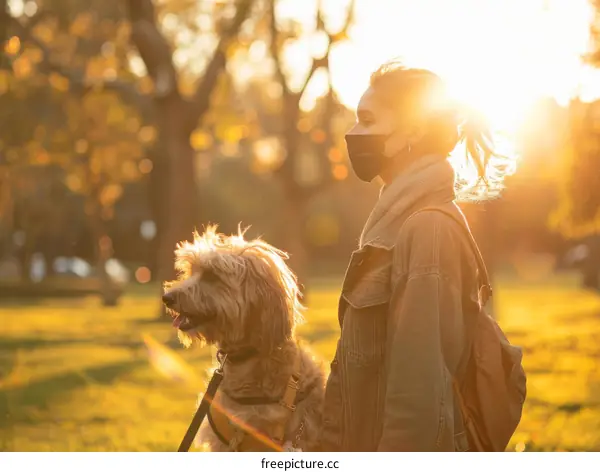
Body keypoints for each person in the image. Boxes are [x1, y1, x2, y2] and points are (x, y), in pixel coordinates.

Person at [318, 60, 511, 452]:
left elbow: (419, 395)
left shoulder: (427, 230)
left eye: (368, 120)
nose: (354, 133)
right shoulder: (395, 220)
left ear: (414, 130)